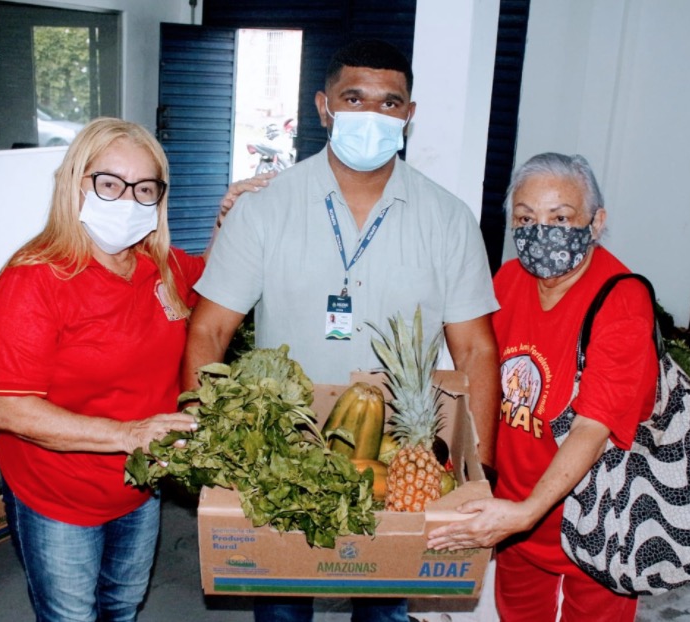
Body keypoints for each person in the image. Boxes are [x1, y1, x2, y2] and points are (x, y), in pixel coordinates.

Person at [184, 39, 500, 622]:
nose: (371, 116)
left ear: (409, 114)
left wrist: (478, 470)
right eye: (354, 98)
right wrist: (213, 441)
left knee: (384, 615)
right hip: (281, 456)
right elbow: (209, 331)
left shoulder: (448, 220)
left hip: (401, 460)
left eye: (389, 103)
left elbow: (476, 347)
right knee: (281, 612)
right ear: (323, 106)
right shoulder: (265, 209)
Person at [0, 118, 207, 622]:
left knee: (122, 607)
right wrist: (131, 433)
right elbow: (11, 409)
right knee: (71, 616)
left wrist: (238, 214)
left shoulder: (162, 266)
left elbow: (224, 276)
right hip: (59, 495)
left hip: (138, 487)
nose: (127, 200)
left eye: (144, 188)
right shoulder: (35, 280)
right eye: (109, 184)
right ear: (75, 183)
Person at [426, 153, 659, 622]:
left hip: (593, 523)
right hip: (514, 514)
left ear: (596, 223)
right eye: (526, 218)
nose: (541, 231)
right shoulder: (509, 280)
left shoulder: (622, 300)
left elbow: (593, 427)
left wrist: (529, 510)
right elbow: (480, 374)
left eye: (560, 217)